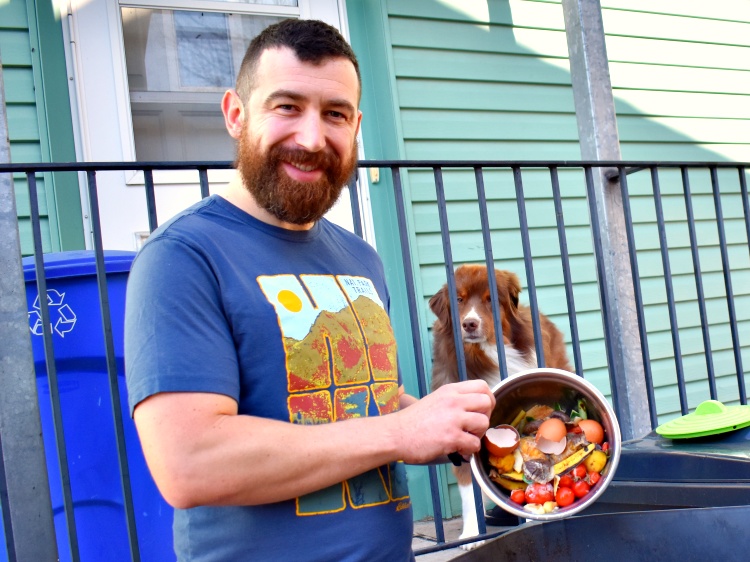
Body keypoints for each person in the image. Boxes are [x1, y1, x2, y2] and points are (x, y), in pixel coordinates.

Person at [124, 18, 495, 562]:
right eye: (287, 107)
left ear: (357, 126)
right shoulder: (183, 256)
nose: (312, 138)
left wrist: (447, 424)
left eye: (335, 114)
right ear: (235, 113)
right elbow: (189, 462)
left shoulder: (360, 257)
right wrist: (401, 431)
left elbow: (367, 401)